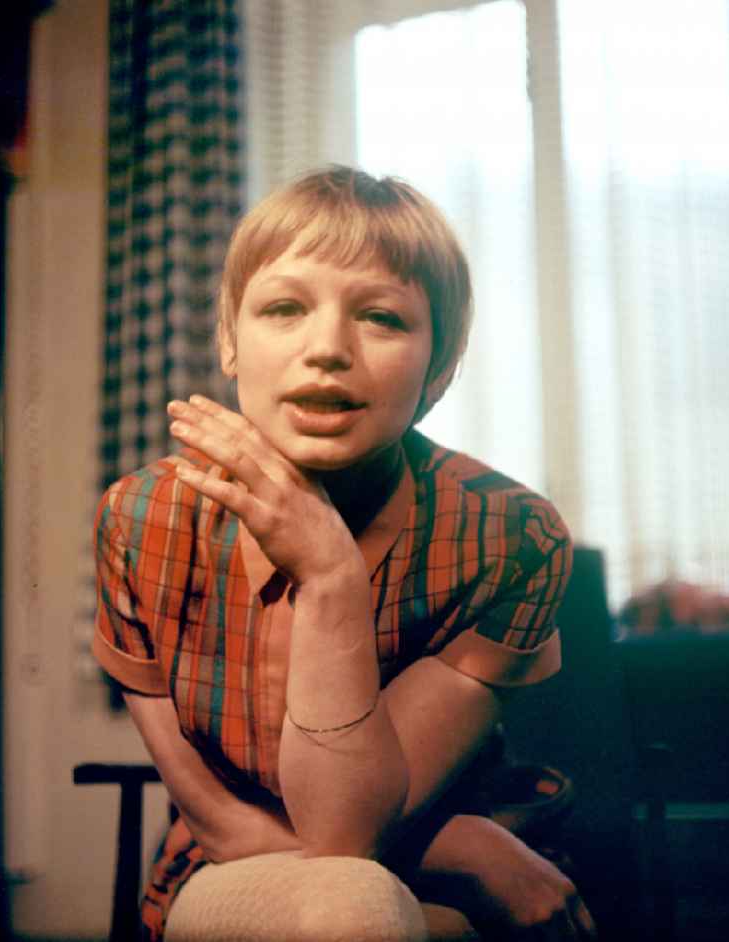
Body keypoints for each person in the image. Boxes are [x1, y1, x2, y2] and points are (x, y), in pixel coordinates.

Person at [93, 166, 595, 941]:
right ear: (230, 338)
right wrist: (467, 849)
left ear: (442, 364)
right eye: (285, 308)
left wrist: (331, 575)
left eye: (383, 319)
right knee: (352, 908)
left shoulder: (510, 538)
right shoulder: (141, 522)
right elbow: (226, 829)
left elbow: (346, 830)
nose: (326, 349)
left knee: (364, 910)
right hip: (233, 870)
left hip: (424, 886)